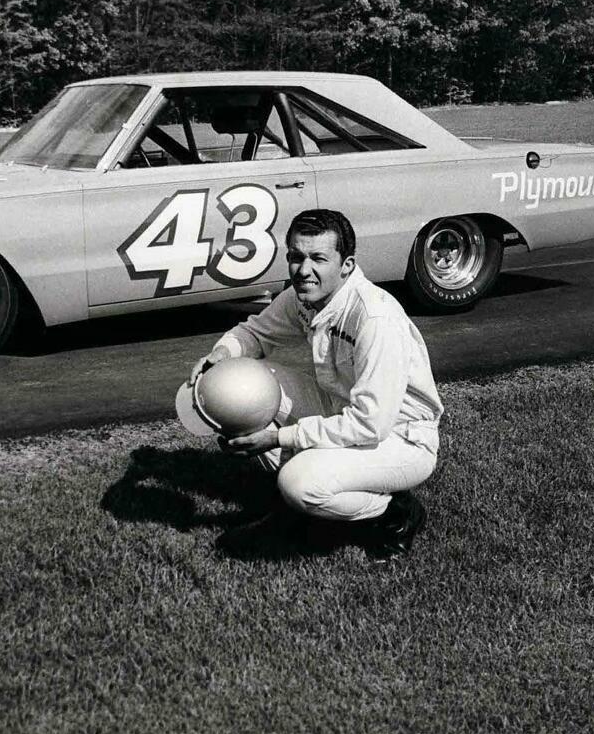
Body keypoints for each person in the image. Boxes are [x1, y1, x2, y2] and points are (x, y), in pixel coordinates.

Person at [189, 209, 443, 562]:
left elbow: (370, 424)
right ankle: (292, 514)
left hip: (400, 438)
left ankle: (392, 513)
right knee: (248, 384)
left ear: (347, 265)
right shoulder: (305, 294)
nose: (303, 270)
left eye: (318, 258)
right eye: (295, 256)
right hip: (342, 409)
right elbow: (254, 332)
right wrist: (220, 355)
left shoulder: (375, 319)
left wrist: (280, 438)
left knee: (299, 482)